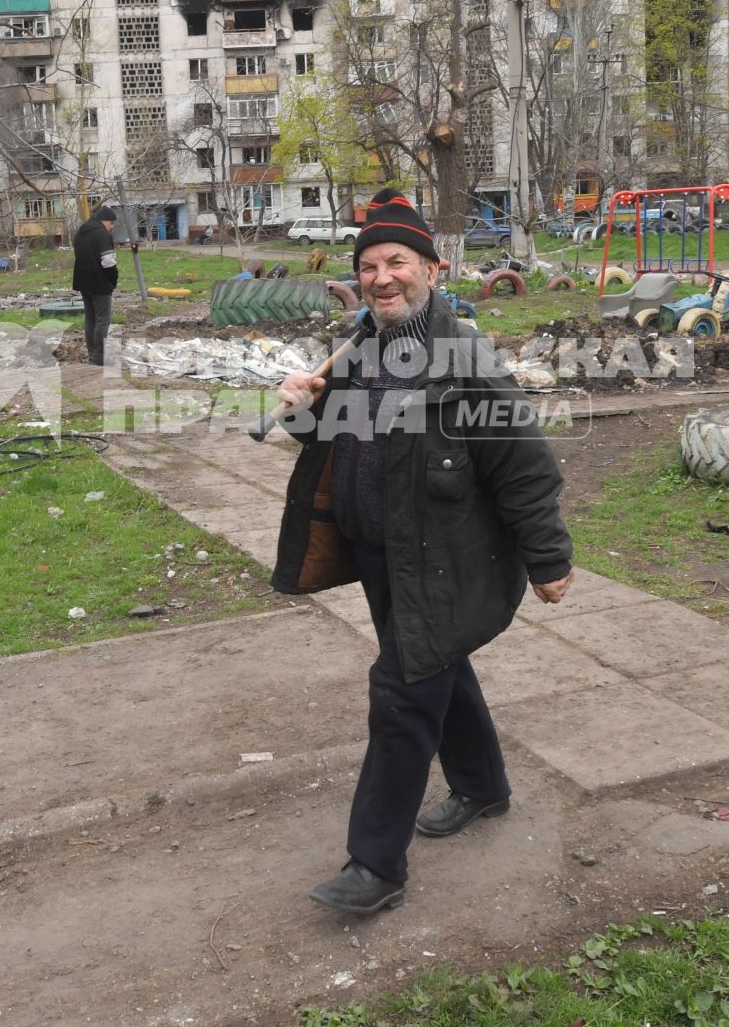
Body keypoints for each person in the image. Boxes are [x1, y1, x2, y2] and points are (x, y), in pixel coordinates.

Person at [270, 188, 574, 917]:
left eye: (398, 261)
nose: (382, 277)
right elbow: (330, 441)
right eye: (370, 265)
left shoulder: (461, 354)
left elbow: (521, 461)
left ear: (434, 270)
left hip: (440, 553)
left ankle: (375, 865)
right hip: (377, 550)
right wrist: (303, 408)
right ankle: (482, 786)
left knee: (403, 697)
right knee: (436, 661)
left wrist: (548, 557)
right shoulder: (360, 345)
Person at [72, 205, 119, 366]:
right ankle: (99, 357)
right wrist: (114, 279)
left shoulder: (81, 232)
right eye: (112, 224)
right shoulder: (101, 234)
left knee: (90, 319)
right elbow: (108, 262)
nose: (112, 227)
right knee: (102, 320)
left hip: (84, 282)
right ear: (104, 221)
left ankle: (93, 353)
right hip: (100, 283)